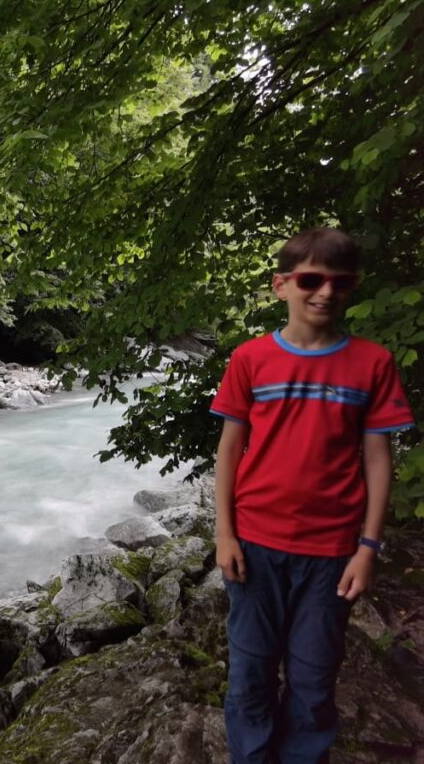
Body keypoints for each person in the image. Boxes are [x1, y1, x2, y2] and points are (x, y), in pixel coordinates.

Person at [210, 227, 416, 764]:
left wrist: (368, 548)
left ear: (352, 289)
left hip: (331, 555)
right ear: (281, 285)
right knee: (250, 673)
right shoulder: (251, 359)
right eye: (310, 279)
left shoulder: (372, 364)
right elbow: (230, 451)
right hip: (255, 546)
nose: (324, 292)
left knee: (313, 677)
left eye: (340, 283)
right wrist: (224, 533)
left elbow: (377, 458)